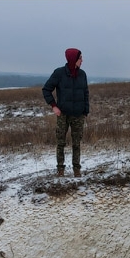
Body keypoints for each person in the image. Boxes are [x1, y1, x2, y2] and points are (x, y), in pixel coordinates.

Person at [42, 48, 89, 177]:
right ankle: (60, 170)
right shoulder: (59, 73)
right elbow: (46, 89)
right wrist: (54, 106)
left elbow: (85, 93)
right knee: (60, 142)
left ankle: (76, 170)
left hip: (78, 115)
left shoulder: (82, 74)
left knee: (76, 143)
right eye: (80, 58)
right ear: (73, 59)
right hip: (63, 114)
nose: (82, 61)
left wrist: (85, 110)